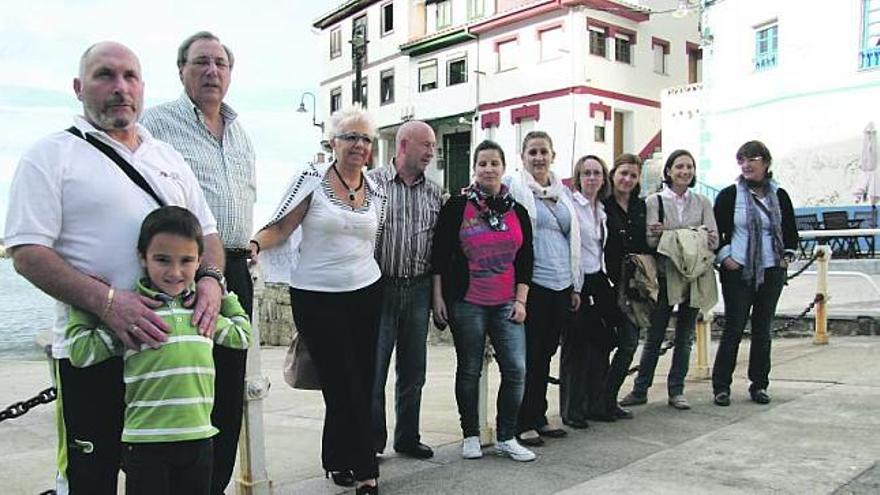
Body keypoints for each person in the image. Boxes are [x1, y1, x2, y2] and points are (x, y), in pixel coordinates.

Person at [4, 41, 223, 495]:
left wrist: (211, 282)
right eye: (106, 75)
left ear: (143, 87)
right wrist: (107, 303)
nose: (120, 88)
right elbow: (26, 251)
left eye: (130, 77)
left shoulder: (168, 158)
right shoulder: (51, 154)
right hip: (96, 355)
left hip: (170, 366)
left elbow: (210, 236)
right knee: (91, 480)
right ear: (79, 87)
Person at [65, 206, 251, 495]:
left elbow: (241, 336)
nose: (175, 272)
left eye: (186, 260)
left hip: (200, 439)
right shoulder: (135, 316)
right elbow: (81, 352)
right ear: (143, 258)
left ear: (200, 260)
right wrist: (88, 306)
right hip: (144, 445)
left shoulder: (201, 314)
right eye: (162, 260)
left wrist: (222, 295)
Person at [140, 32, 255, 492]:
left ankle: (215, 485)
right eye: (201, 62)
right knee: (184, 394)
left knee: (227, 393)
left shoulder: (240, 130)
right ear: (181, 69)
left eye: (220, 64)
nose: (212, 71)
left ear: (230, 72)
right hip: (183, 275)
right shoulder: (157, 123)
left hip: (235, 269)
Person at [252, 105, 385, 494]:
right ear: (332, 142)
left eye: (365, 138)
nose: (359, 145)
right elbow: (281, 226)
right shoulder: (311, 180)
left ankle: (339, 459)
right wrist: (256, 242)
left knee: (359, 380)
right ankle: (364, 469)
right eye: (350, 137)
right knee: (341, 380)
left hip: (366, 292)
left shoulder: (374, 187)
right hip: (317, 296)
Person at [432, 139, 536, 462]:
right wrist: (438, 297)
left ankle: (506, 436)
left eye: (494, 163)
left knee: (517, 369)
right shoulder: (457, 207)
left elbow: (526, 260)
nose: (488, 169)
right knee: (469, 370)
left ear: (504, 169)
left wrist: (521, 301)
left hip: (506, 301)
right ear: (475, 169)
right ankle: (471, 435)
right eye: (483, 164)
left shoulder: (517, 211)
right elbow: (438, 255)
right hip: (468, 301)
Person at [620, 149, 718, 410]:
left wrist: (672, 234)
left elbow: (713, 240)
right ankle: (641, 389)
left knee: (685, 336)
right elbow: (654, 240)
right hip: (665, 276)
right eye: (679, 167)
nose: (685, 171)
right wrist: (692, 235)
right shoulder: (656, 202)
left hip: (695, 276)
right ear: (669, 171)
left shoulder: (702, 202)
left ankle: (677, 390)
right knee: (655, 335)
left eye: (689, 166)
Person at [367, 121, 441, 459]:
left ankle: (407, 437)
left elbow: (440, 250)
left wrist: (437, 295)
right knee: (374, 371)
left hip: (418, 289)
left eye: (433, 146)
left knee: (414, 370)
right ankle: (371, 442)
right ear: (403, 145)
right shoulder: (372, 184)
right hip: (379, 289)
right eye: (425, 144)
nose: (430, 151)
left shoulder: (435, 192)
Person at [506, 131, 581, 446]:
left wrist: (575, 285)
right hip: (533, 283)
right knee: (531, 355)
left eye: (543, 152)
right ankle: (521, 421)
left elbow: (573, 239)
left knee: (547, 353)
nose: (539, 158)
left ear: (553, 155)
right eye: (532, 152)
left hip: (562, 283)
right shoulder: (515, 188)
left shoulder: (562, 192)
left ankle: (539, 414)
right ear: (523, 157)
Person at [711, 140, 797, 407]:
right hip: (739, 271)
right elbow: (716, 232)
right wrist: (726, 258)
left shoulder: (779, 194)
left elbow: (790, 231)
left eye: (752, 159)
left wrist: (785, 258)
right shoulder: (729, 195)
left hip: (770, 270)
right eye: (742, 160)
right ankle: (721, 386)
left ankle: (759, 384)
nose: (746, 165)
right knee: (734, 326)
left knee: (763, 329)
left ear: (766, 162)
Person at [559, 155, 615, 430]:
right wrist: (573, 286)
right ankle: (572, 409)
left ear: (603, 178)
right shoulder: (571, 205)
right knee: (576, 347)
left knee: (600, 345)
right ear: (578, 178)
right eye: (586, 173)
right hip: (578, 281)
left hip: (599, 278)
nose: (592, 178)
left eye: (596, 173)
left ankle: (596, 403)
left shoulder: (602, 210)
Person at [601, 153, 650, 421]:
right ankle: (594, 399)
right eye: (623, 173)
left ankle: (608, 398)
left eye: (633, 175)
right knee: (603, 344)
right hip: (607, 283)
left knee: (630, 343)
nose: (627, 179)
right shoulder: (603, 205)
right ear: (613, 174)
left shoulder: (641, 208)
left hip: (634, 287)